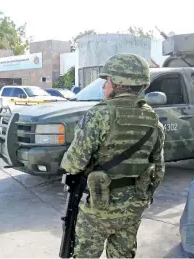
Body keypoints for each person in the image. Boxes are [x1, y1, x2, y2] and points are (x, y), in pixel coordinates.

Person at [60, 53, 165, 258]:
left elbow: (73, 163)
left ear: (118, 83)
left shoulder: (99, 115)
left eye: (107, 81)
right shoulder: (153, 120)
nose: (104, 86)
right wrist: (142, 198)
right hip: (133, 207)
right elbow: (158, 169)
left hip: (99, 208)